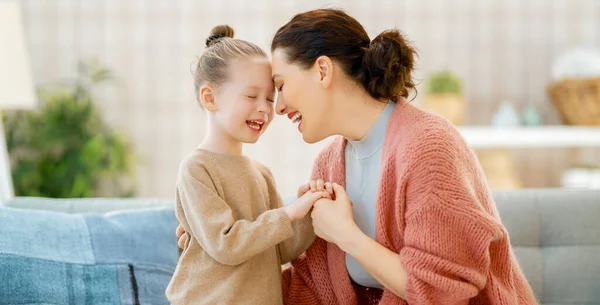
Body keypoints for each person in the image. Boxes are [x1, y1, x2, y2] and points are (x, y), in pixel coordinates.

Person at [179, 9, 538, 304]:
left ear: (322, 71)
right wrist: (215, 258)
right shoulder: (330, 164)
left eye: (281, 86)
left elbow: (442, 289)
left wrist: (348, 236)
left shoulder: (429, 147)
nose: (280, 107)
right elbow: (313, 284)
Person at [165, 25, 331, 305]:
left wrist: (309, 210)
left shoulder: (261, 174)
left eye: (269, 98)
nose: (265, 109)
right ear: (210, 97)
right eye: (251, 96)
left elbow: (281, 249)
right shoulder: (196, 169)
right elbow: (226, 244)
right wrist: (289, 213)